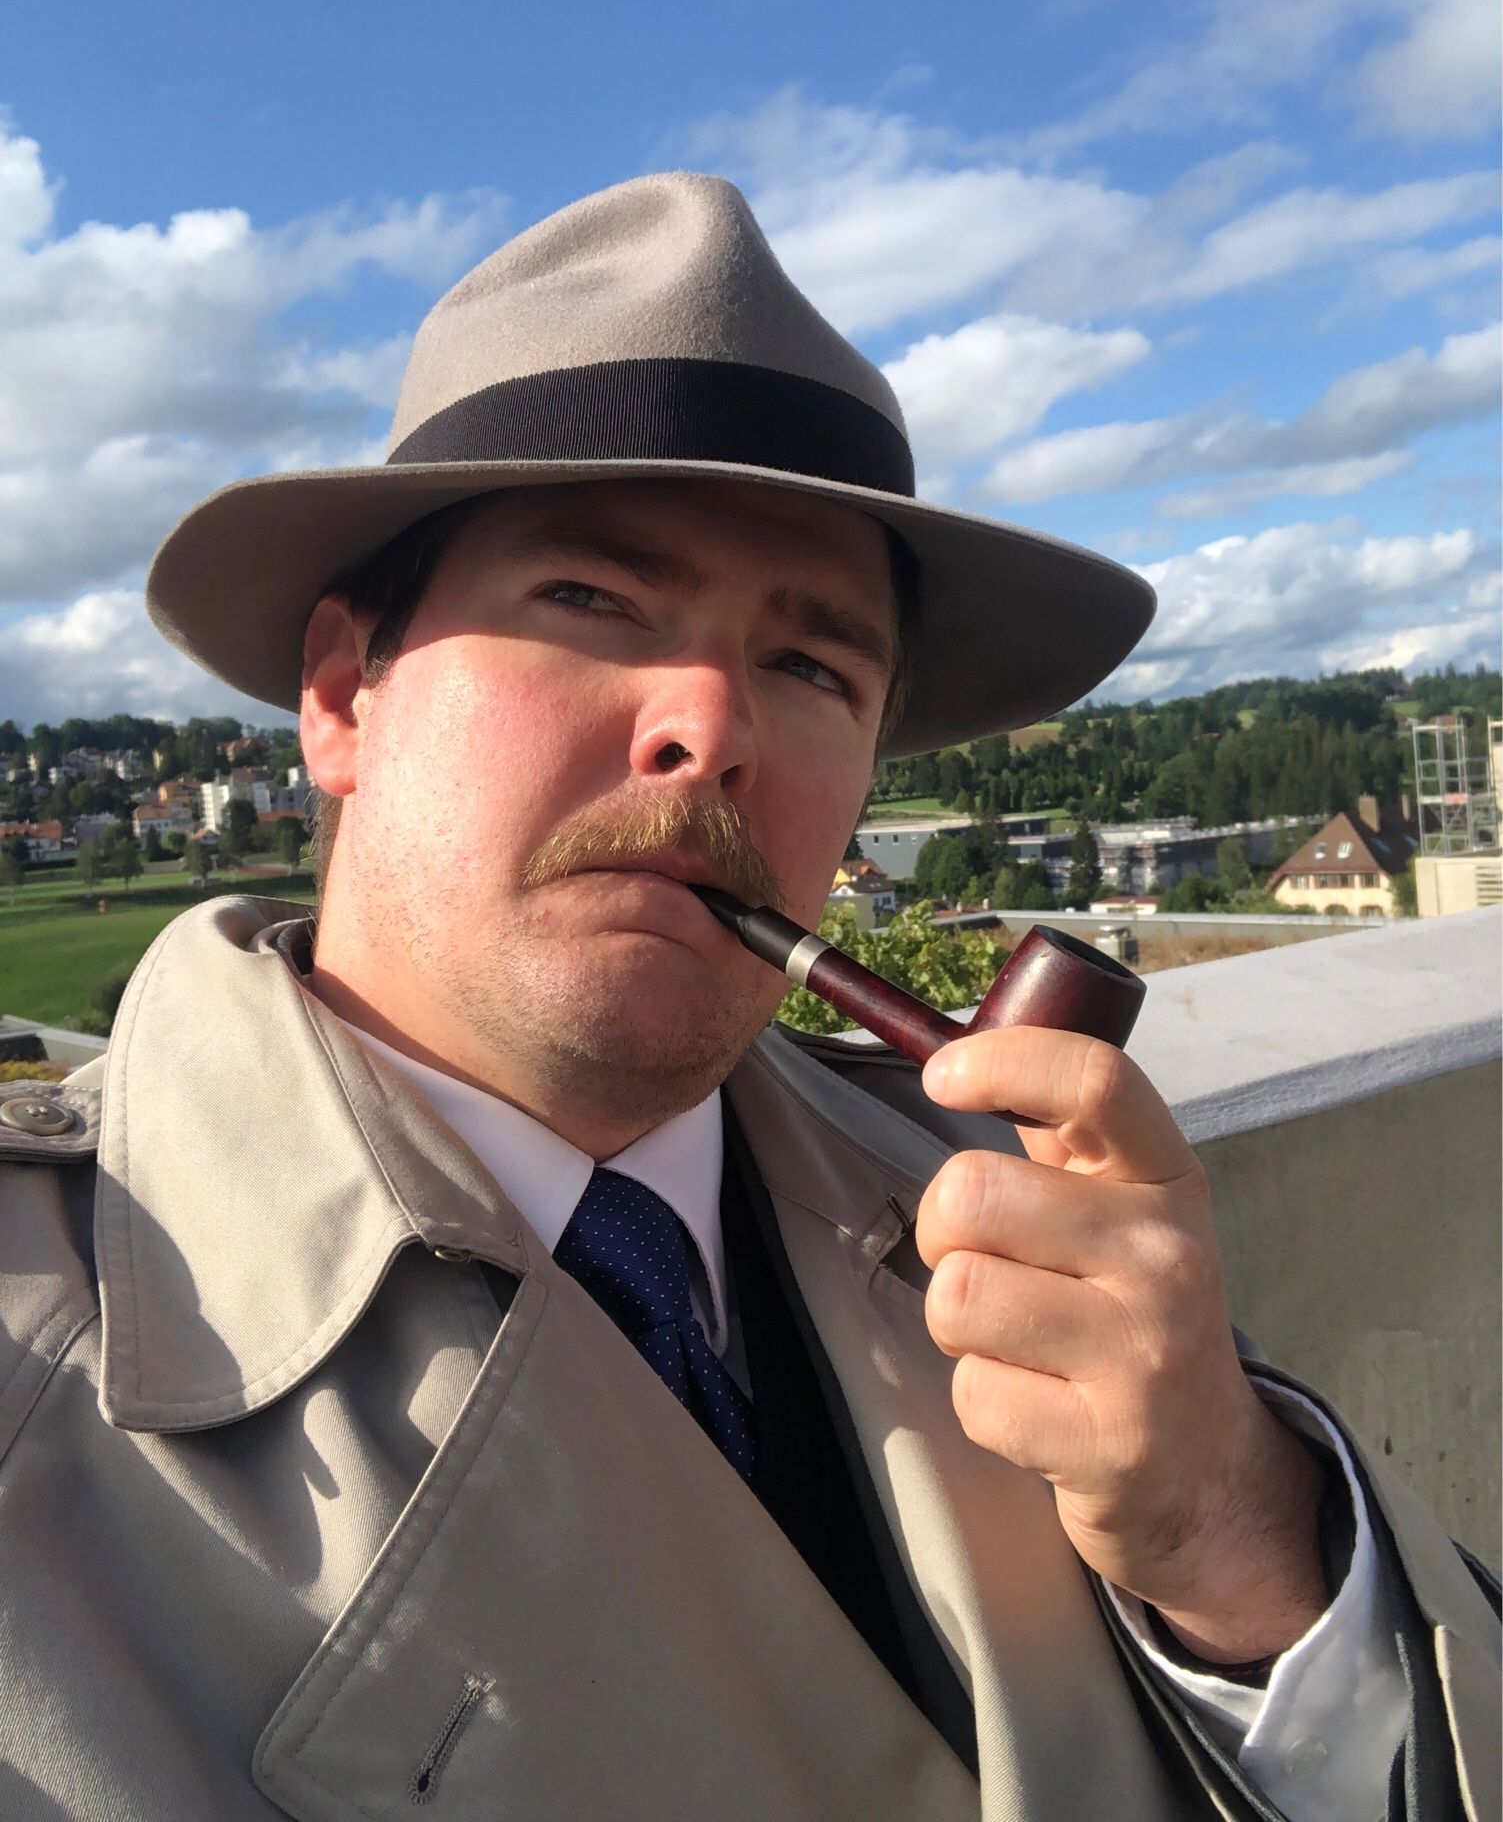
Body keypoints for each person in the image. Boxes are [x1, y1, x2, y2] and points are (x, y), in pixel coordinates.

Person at [0, 174, 1495, 1822]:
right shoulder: (36, 1383)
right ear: (349, 695)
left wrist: (1237, 1532)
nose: (709, 725)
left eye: (811, 666)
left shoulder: (981, 1215)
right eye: (592, 600)